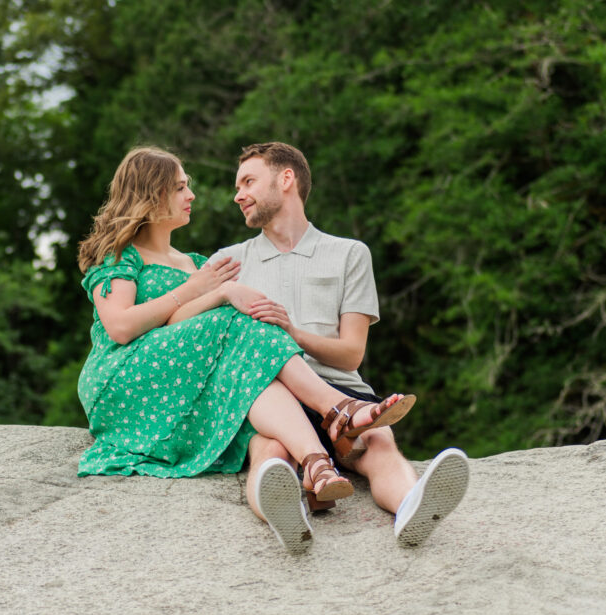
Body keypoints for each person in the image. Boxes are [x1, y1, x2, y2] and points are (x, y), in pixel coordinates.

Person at [76, 146, 415, 554]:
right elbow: (122, 326)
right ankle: (339, 413)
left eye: (247, 182)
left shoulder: (196, 262)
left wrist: (220, 292)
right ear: (153, 194)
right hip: (128, 376)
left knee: (358, 433)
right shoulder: (127, 255)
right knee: (251, 349)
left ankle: (331, 470)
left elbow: (181, 321)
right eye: (181, 187)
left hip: (196, 379)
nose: (193, 195)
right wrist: (218, 292)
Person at [214, 142, 470, 548]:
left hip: (341, 392)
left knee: (379, 442)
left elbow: (352, 352)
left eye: (248, 181)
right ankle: (287, 516)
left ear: (286, 179)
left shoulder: (349, 253)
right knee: (271, 449)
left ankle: (411, 506)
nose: (238, 194)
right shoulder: (228, 263)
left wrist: (292, 333)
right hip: (269, 394)